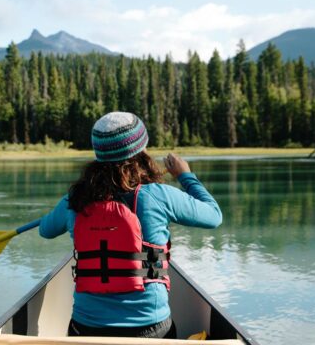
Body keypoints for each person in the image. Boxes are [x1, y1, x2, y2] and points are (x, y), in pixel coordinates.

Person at [39, 111, 223, 338]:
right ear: (141, 151)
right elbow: (214, 216)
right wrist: (185, 176)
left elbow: (45, 230)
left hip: (85, 330)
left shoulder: (75, 200)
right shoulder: (159, 195)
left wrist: (66, 207)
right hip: (151, 330)